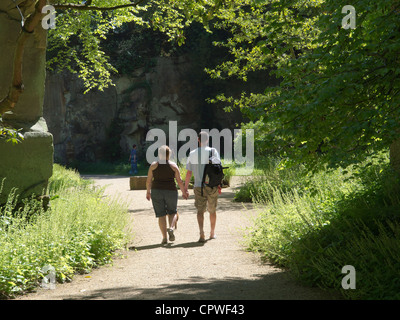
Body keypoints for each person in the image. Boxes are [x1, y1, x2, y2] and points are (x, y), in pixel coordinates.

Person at [146, 145, 188, 244]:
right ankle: (171, 228)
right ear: (169, 154)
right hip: (171, 191)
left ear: (159, 154)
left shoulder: (153, 165)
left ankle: (164, 238)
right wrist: (184, 192)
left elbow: (148, 181)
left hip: (156, 191)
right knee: (173, 212)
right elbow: (179, 181)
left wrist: (148, 192)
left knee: (161, 215)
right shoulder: (173, 166)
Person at [184, 131, 220, 242]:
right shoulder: (213, 151)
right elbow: (218, 169)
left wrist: (185, 189)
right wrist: (219, 185)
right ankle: (212, 233)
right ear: (207, 140)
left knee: (200, 210)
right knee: (212, 210)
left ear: (198, 139)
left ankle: (201, 233)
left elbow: (189, 173)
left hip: (198, 186)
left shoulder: (192, 153)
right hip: (211, 186)